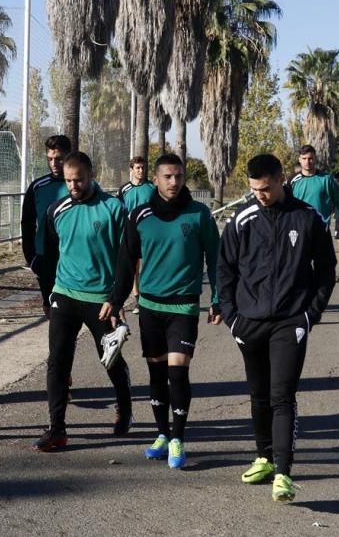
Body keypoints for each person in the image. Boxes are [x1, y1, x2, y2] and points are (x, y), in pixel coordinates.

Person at [218, 154, 336, 503]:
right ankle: (264, 458)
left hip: (289, 322)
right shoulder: (242, 219)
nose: (260, 195)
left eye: (266, 188)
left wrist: (308, 317)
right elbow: (224, 272)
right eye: (254, 189)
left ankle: (283, 473)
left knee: (282, 397)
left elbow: (326, 271)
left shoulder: (307, 217)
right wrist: (232, 318)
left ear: (282, 179)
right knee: (259, 396)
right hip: (249, 322)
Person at [114, 153, 220, 470]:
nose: (174, 182)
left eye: (178, 176)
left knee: (178, 372)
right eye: (167, 177)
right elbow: (125, 261)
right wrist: (116, 301)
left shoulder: (200, 214)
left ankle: (178, 438)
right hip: (149, 306)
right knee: (157, 374)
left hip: (184, 305)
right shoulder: (139, 215)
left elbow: (215, 259)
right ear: (156, 180)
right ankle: (161, 434)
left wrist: (219, 297)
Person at [33, 151, 132, 452]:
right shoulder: (56, 210)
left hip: (100, 299)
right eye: (68, 181)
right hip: (64, 294)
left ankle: (125, 407)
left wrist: (116, 299)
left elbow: (126, 260)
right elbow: (48, 257)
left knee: (110, 358)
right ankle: (57, 429)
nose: (73, 186)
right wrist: (48, 294)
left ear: (91, 175)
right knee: (58, 361)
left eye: (78, 180)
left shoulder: (113, 208)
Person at [21, 134, 72, 315]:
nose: (53, 163)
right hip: (46, 259)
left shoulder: (78, 186)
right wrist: (32, 258)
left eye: (59, 159)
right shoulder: (37, 187)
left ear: (69, 156)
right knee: (52, 312)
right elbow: (27, 225)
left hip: (74, 259)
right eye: (50, 159)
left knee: (72, 313)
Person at [119, 156, 157, 311]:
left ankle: (150, 295)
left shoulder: (152, 188)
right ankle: (137, 298)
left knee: (148, 264)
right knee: (133, 266)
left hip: (149, 233)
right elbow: (120, 211)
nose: (141, 171)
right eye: (138, 168)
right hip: (130, 232)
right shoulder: (124, 190)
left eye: (143, 167)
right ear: (132, 170)